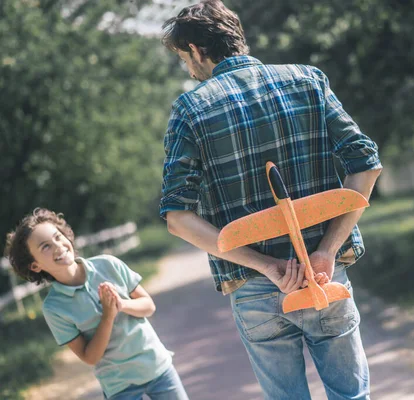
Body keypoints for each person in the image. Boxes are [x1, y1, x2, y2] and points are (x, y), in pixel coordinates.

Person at [159, 1, 382, 399]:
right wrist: (328, 249)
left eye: (183, 58)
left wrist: (267, 267)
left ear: (195, 49)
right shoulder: (307, 80)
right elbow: (366, 165)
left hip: (256, 286)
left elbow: (177, 216)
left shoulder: (191, 108)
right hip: (322, 273)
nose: (188, 69)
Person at [4, 208, 189, 400]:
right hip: (119, 386)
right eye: (45, 247)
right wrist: (107, 317)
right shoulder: (54, 308)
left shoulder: (108, 264)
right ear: (35, 265)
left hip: (156, 367)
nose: (58, 246)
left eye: (57, 237)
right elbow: (90, 357)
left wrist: (121, 305)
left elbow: (149, 306)